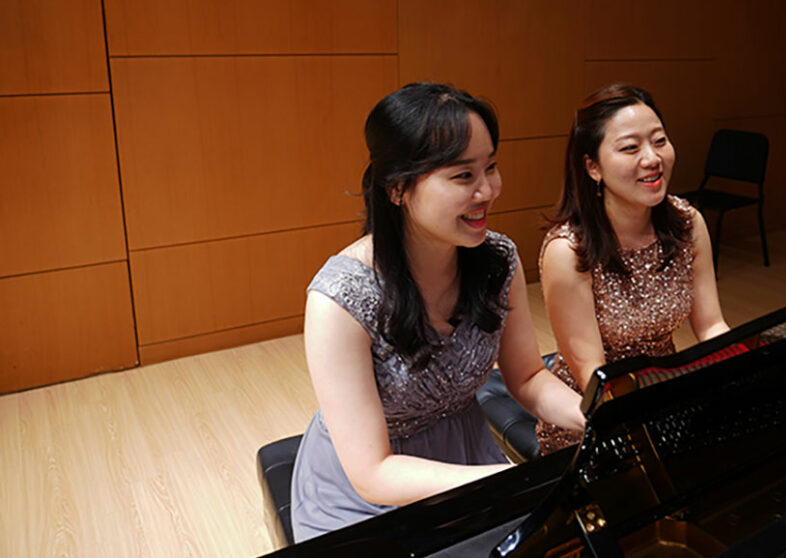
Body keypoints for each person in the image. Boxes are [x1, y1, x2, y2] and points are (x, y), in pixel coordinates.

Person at [290, 83, 586, 541]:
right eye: (463, 176)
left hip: (463, 454)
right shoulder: (340, 298)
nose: (488, 189)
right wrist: (505, 480)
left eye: (490, 167)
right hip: (366, 494)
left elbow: (526, 377)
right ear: (397, 188)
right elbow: (373, 471)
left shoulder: (497, 259)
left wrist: (594, 413)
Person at [535, 84, 730, 455]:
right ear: (593, 167)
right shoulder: (569, 250)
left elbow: (710, 326)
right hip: (590, 419)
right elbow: (592, 372)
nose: (652, 158)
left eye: (659, 141)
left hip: (663, 395)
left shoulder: (689, 224)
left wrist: (745, 369)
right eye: (630, 148)